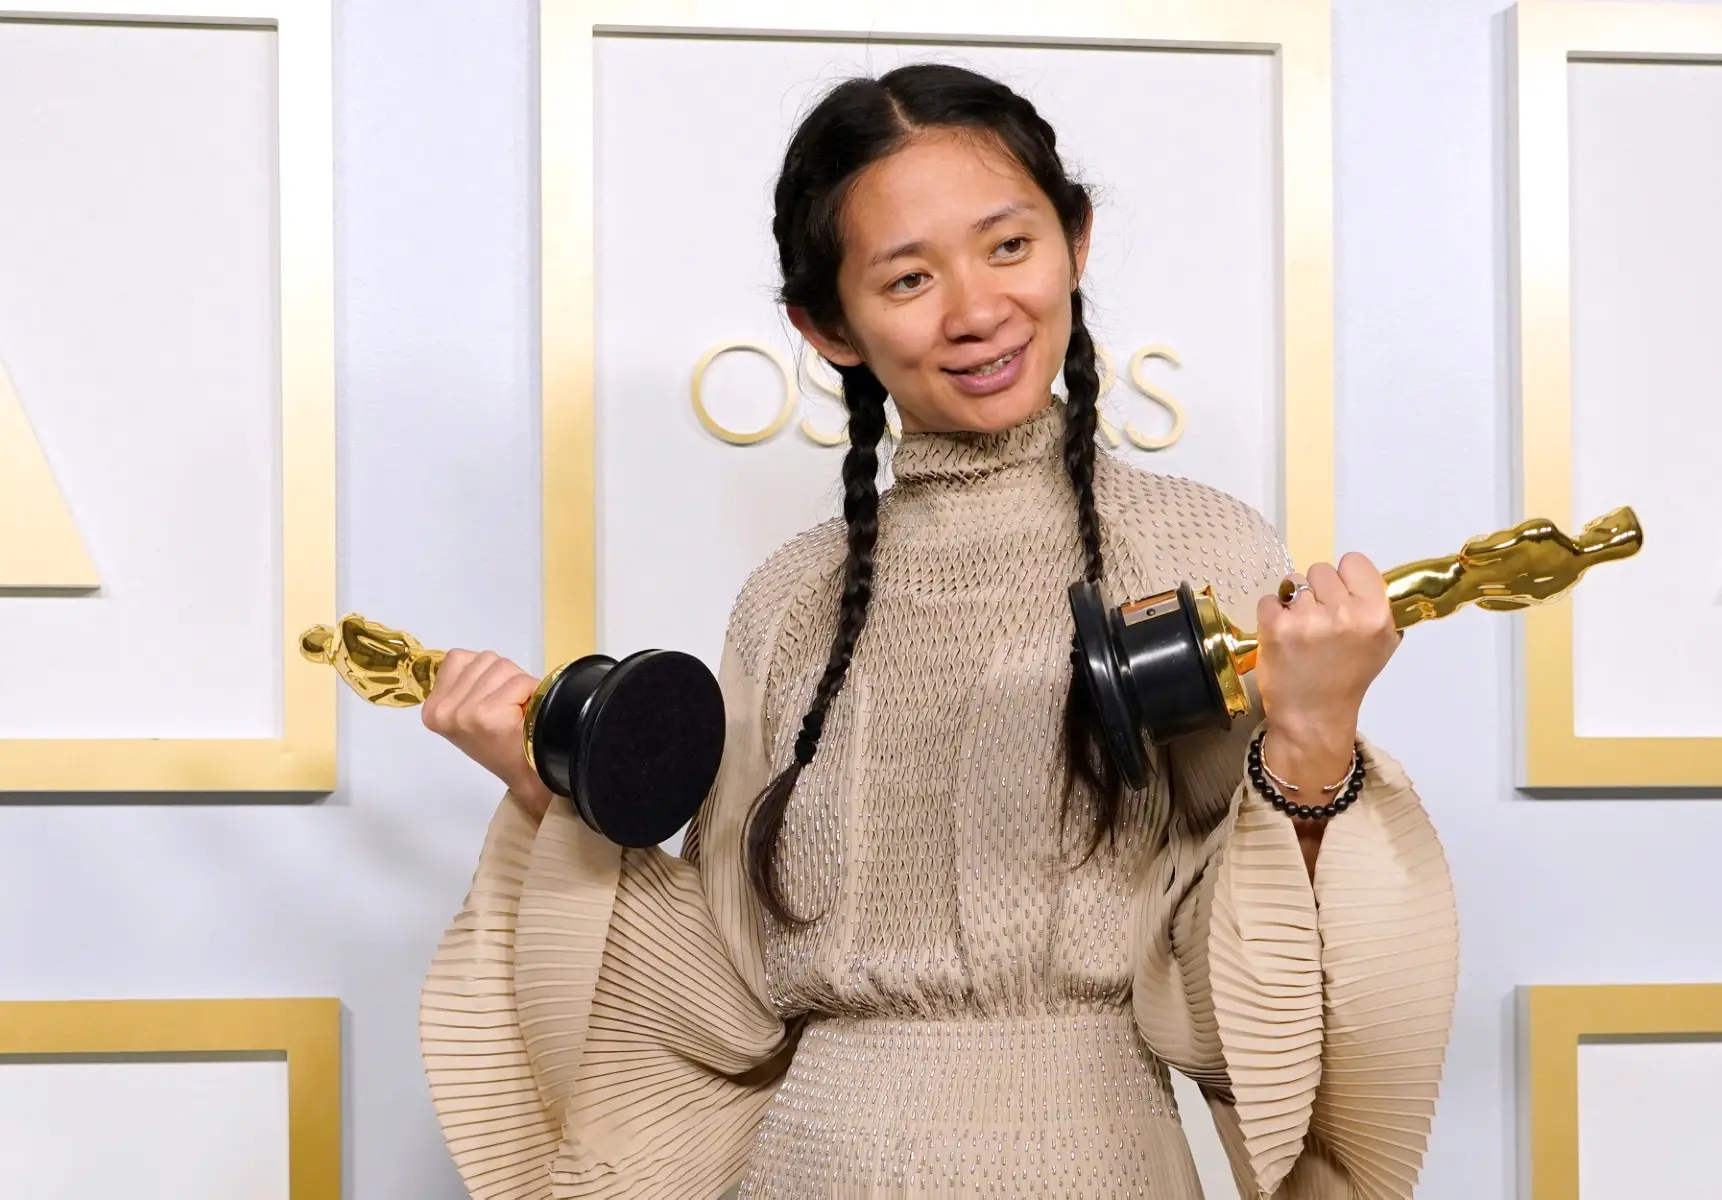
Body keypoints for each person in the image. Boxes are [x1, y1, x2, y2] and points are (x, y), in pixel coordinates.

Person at [415, 63, 1458, 1199]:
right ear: (826, 326)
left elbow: (1247, 1001)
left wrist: (1310, 743)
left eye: (1009, 246)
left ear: (1075, 240)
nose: (975, 311)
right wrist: (545, 783)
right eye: (907, 277)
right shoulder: (787, 601)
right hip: (810, 1165)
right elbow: (719, 996)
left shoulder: (1198, 555)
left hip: (1091, 1159)